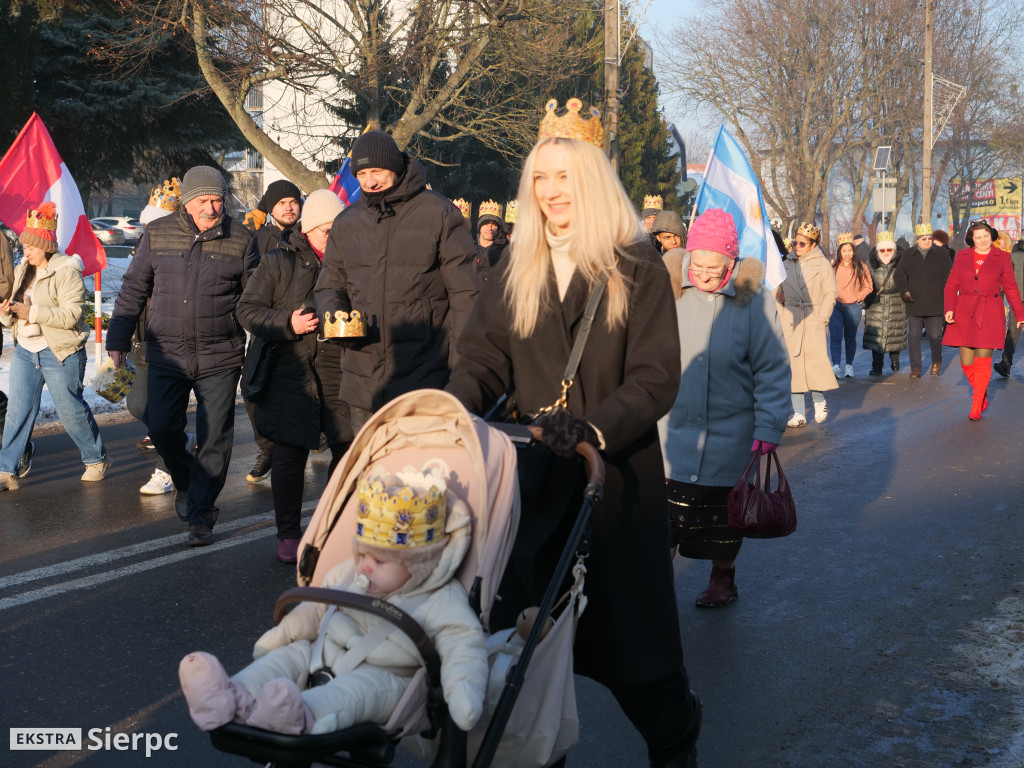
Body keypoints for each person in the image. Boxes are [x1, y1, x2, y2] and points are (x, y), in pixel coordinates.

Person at [447, 99, 701, 768]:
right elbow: (481, 358)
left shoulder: (634, 264)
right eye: (540, 178)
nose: (551, 191)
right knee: (521, 666)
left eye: (563, 176)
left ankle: (677, 742)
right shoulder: (516, 263)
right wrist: (451, 408)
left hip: (610, 487)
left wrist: (594, 426)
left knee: (639, 664)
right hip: (532, 489)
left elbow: (654, 379)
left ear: (589, 180)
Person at [178, 464, 487, 736]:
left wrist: (463, 694)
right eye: (362, 554)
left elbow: (463, 644)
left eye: (379, 562)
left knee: (351, 693)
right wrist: (282, 636)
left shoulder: (441, 598)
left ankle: (296, 713)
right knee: (286, 658)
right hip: (324, 653)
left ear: (418, 564)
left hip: (388, 676)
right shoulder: (351, 574)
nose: (364, 565)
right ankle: (233, 697)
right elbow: (315, 610)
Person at [107, 165, 260, 546]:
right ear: (188, 202)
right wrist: (119, 337)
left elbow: (254, 297)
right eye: (204, 201)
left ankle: (202, 512)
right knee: (159, 426)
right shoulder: (157, 235)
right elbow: (133, 289)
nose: (212, 208)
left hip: (220, 355)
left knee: (216, 438)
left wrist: (264, 330)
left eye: (218, 200)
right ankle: (184, 477)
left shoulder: (241, 239)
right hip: (167, 353)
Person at [659, 209, 790, 608]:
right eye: (696, 265)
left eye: (715, 268)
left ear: (732, 263)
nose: (705, 275)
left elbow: (772, 369)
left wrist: (769, 428)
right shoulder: (667, 293)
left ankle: (723, 578)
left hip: (730, 436)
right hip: (669, 430)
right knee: (664, 518)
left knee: (722, 518)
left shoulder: (755, 303)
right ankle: (655, 585)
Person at [313, 130, 481, 435]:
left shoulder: (440, 214)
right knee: (370, 477)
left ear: (396, 166)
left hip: (425, 376)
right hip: (363, 381)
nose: (369, 181)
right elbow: (329, 284)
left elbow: (466, 296)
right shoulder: (346, 223)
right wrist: (333, 313)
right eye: (361, 173)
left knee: (420, 478)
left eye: (376, 171)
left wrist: (460, 373)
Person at [237, 190, 352, 564]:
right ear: (309, 230)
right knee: (289, 453)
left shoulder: (353, 262)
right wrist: (288, 322)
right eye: (325, 232)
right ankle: (287, 533)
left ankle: (331, 526)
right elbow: (248, 310)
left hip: (339, 368)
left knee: (348, 451)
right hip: (290, 369)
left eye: (338, 231)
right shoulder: (277, 260)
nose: (332, 239)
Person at [0, 202, 109, 490]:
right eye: (25, 245)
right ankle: (6, 470)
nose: (26, 251)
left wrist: (31, 312)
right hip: (26, 349)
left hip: (59, 351)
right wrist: (7, 311)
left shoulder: (66, 269)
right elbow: (16, 312)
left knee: (70, 410)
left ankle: (96, 458)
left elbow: (73, 315)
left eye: (32, 246)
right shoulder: (24, 268)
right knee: (18, 410)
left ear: (46, 246)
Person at [129, 179, 196, 495]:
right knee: (138, 404)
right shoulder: (139, 248)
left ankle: (168, 470)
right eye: (147, 226)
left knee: (166, 413)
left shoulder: (185, 250)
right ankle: (180, 442)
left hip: (175, 343)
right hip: (144, 341)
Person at [244, 180, 304, 483]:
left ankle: (310, 437)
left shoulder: (310, 235)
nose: (289, 206)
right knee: (253, 389)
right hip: (266, 327)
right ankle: (266, 449)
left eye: (293, 201)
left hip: (304, 327)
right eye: (282, 203)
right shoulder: (255, 239)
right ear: (270, 208)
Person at [943, 220, 1024, 420]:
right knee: (966, 361)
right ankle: (982, 391)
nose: (982, 240)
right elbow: (952, 284)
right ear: (972, 239)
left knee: (982, 360)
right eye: (978, 237)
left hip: (990, 311)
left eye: (985, 236)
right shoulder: (962, 256)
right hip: (964, 310)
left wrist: (1020, 314)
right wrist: (949, 308)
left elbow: (1012, 288)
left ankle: (977, 402)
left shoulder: (1003, 257)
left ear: (991, 236)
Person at [775, 222, 837, 426]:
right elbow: (776, 289)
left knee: (814, 362)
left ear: (813, 245)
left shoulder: (823, 264)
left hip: (813, 316)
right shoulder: (785, 263)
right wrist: (779, 299)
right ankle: (799, 413)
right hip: (791, 318)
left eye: (802, 243)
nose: (797, 247)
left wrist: (822, 317)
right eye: (795, 242)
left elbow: (830, 293)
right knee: (793, 366)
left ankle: (819, 401)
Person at [895, 223, 953, 378]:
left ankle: (936, 360)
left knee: (934, 336)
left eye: (929, 238)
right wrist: (904, 291)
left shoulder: (941, 254)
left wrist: (948, 297)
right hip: (914, 302)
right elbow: (898, 275)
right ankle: (916, 368)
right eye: (923, 239)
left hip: (936, 303)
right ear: (917, 240)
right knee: (913, 336)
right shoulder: (908, 254)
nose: (927, 241)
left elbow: (950, 277)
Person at [863, 231, 908, 376]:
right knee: (877, 338)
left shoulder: (902, 265)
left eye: (890, 249)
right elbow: (865, 283)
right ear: (877, 251)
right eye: (882, 250)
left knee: (895, 334)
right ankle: (877, 367)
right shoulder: (871, 266)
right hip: (877, 305)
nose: (886, 252)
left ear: (894, 251)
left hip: (897, 303)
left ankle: (895, 361)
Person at [829, 233, 873, 378]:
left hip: (853, 308)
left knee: (850, 338)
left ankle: (849, 366)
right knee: (835, 337)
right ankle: (835, 366)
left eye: (850, 250)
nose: (847, 254)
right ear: (839, 252)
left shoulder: (860, 266)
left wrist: (857, 297)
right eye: (844, 251)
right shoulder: (834, 266)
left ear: (854, 251)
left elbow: (868, 286)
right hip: (836, 307)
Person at [994, 237, 1024, 377]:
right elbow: (1005, 275)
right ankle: (1005, 363)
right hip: (1017, 299)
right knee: (1012, 331)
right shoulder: (1013, 253)